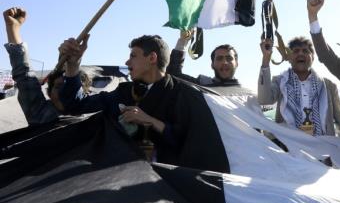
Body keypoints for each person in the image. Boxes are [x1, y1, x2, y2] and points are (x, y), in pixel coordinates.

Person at [58, 34, 223, 169]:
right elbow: (74, 105)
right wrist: (73, 66)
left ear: (152, 58)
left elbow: (189, 142)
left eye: (133, 56)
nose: (127, 62)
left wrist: (149, 121)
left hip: (163, 188)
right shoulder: (124, 91)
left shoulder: (182, 94)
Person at [3, 7, 90, 124]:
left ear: (84, 92)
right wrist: (13, 28)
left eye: (70, 85)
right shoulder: (42, 113)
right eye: (58, 87)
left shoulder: (99, 123)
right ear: (50, 94)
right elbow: (24, 76)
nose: (65, 92)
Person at [258, 36, 340, 138]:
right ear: (288, 58)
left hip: (324, 149)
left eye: (305, 51)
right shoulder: (280, 82)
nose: (300, 53)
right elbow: (264, 99)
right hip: (289, 149)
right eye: (296, 51)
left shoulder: (328, 86)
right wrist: (266, 59)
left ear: (313, 58)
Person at [167, 30, 241, 87]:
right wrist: (183, 41)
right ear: (212, 65)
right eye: (219, 58)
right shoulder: (201, 85)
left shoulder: (248, 97)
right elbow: (173, 75)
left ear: (237, 64)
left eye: (229, 58)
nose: (224, 62)